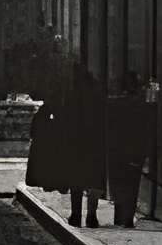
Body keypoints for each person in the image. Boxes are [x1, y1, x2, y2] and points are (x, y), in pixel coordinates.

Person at [63, 61, 108, 228]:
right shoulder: (98, 93)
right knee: (94, 180)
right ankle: (92, 215)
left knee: (76, 181)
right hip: (95, 141)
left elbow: (66, 119)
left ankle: (76, 215)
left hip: (76, 142)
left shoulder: (72, 93)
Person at [106, 70, 153, 227]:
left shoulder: (114, 104)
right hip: (134, 149)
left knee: (118, 183)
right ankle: (128, 218)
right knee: (131, 185)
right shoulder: (141, 104)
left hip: (116, 149)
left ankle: (119, 215)